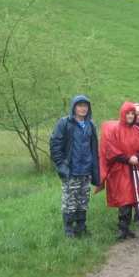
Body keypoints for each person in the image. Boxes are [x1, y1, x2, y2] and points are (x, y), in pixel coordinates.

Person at [50, 95, 100, 238]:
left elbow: (94, 148)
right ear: (74, 107)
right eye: (80, 105)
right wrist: (61, 165)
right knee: (69, 201)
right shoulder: (64, 123)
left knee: (83, 201)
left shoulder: (90, 125)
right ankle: (69, 230)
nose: (83, 108)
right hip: (71, 170)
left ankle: (81, 227)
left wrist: (94, 169)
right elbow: (55, 145)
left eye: (85, 106)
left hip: (86, 170)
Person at [99, 102, 139, 240]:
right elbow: (110, 149)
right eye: (128, 113)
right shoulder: (115, 130)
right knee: (124, 198)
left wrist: (137, 156)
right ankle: (122, 227)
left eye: (133, 113)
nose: (131, 116)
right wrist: (127, 159)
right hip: (120, 169)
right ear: (123, 114)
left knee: (132, 197)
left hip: (134, 168)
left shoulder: (137, 131)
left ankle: (126, 227)